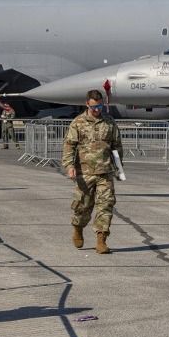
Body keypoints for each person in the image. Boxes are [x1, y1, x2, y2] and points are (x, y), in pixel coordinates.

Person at [62, 89, 123, 254]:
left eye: (100, 106)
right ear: (87, 104)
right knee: (83, 206)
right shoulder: (78, 122)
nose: (97, 110)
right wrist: (69, 166)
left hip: (105, 172)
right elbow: (69, 146)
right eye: (94, 107)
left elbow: (117, 146)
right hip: (85, 172)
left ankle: (101, 240)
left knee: (106, 205)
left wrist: (119, 168)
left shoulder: (109, 123)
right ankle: (78, 227)